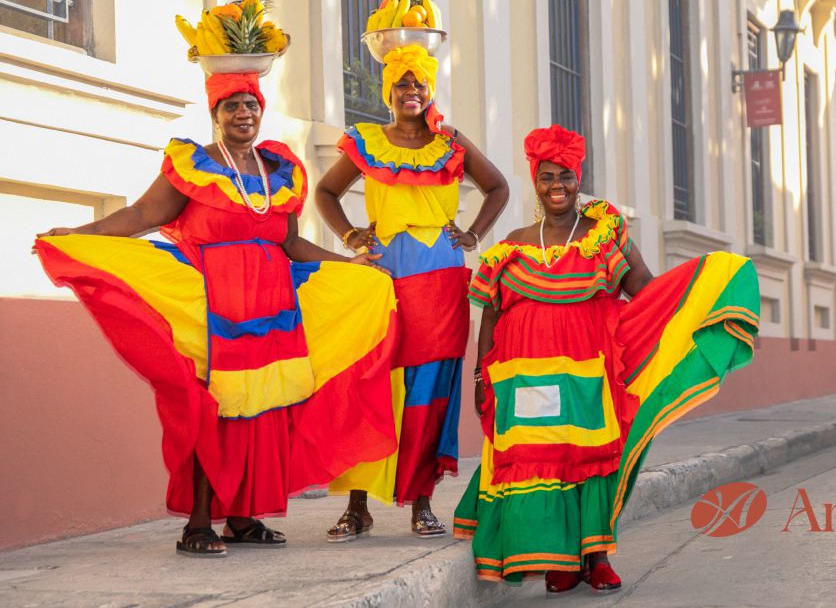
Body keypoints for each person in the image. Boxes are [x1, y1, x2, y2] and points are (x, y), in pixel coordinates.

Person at [34, 71, 400, 558]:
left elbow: (290, 243)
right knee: (216, 407)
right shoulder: (194, 165)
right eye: (232, 105)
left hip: (271, 304)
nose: (243, 113)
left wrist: (348, 264)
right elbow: (142, 215)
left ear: (261, 110)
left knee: (262, 406)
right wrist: (82, 232)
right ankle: (199, 522)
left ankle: (243, 519)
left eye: (251, 104)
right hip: (215, 304)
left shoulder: (279, 171)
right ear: (215, 114)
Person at [453, 125, 760, 594]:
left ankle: (596, 557)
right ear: (535, 182)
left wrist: (700, 291)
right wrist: (480, 375)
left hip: (590, 373)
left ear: (579, 179)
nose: (557, 185)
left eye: (566, 176)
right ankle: (559, 559)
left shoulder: (605, 237)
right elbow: (492, 313)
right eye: (547, 177)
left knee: (591, 458)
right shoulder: (513, 242)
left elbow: (647, 291)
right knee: (540, 458)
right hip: (524, 376)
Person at [315, 45, 509, 540]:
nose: (411, 91)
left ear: (430, 89)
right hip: (383, 274)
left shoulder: (450, 142)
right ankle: (357, 506)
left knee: (429, 389)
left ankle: (421, 501)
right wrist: (351, 236)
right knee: (372, 382)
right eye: (401, 82)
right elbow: (325, 193)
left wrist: (473, 234)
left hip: (440, 276)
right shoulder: (367, 141)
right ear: (388, 91)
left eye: (419, 82)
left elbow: (499, 187)